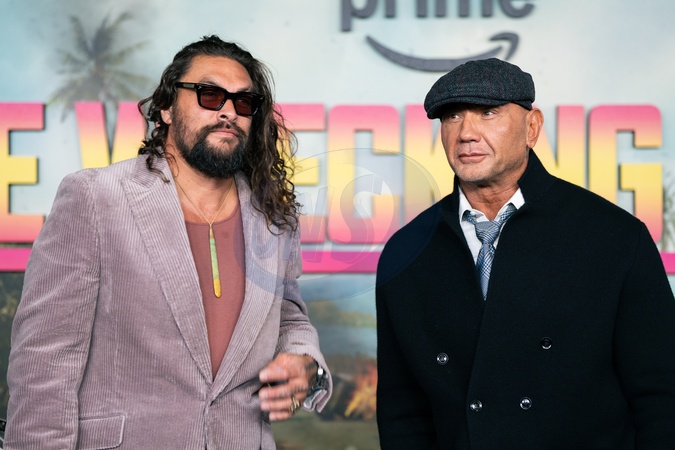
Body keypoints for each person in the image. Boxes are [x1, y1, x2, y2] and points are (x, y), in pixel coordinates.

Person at [5, 35, 331, 449]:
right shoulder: (95, 198)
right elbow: (45, 360)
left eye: (244, 102)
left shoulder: (274, 216)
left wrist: (305, 361)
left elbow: (287, 315)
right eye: (210, 95)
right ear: (166, 108)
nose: (229, 111)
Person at [375, 58, 675, 449]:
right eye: (452, 117)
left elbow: (662, 396)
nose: (466, 133)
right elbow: (402, 413)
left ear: (532, 127)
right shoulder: (407, 252)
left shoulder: (614, 237)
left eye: (488, 113)